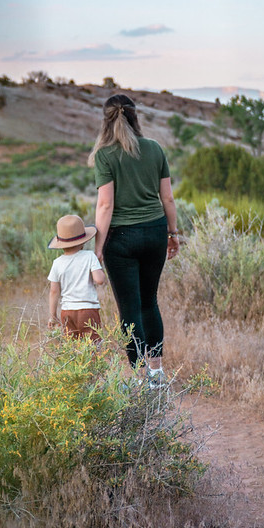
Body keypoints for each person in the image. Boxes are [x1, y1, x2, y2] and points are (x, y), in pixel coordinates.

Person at [89, 94, 180, 385]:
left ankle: (140, 377)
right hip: (155, 230)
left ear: (106, 120)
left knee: (129, 307)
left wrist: (97, 250)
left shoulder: (105, 155)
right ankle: (157, 372)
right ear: (135, 116)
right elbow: (167, 198)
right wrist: (173, 233)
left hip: (122, 238)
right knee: (148, 302)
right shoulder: (154, 149)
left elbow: (105, 206)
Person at [47, 214, 105, 340]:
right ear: (83, 241)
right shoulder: (89, 256)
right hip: (88, 310)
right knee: (92, 347)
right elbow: (99, 280)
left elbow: (53, 291)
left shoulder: (57, 263)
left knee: (72, 348)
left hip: (67, 312)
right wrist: (99, 266)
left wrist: (53, 316)